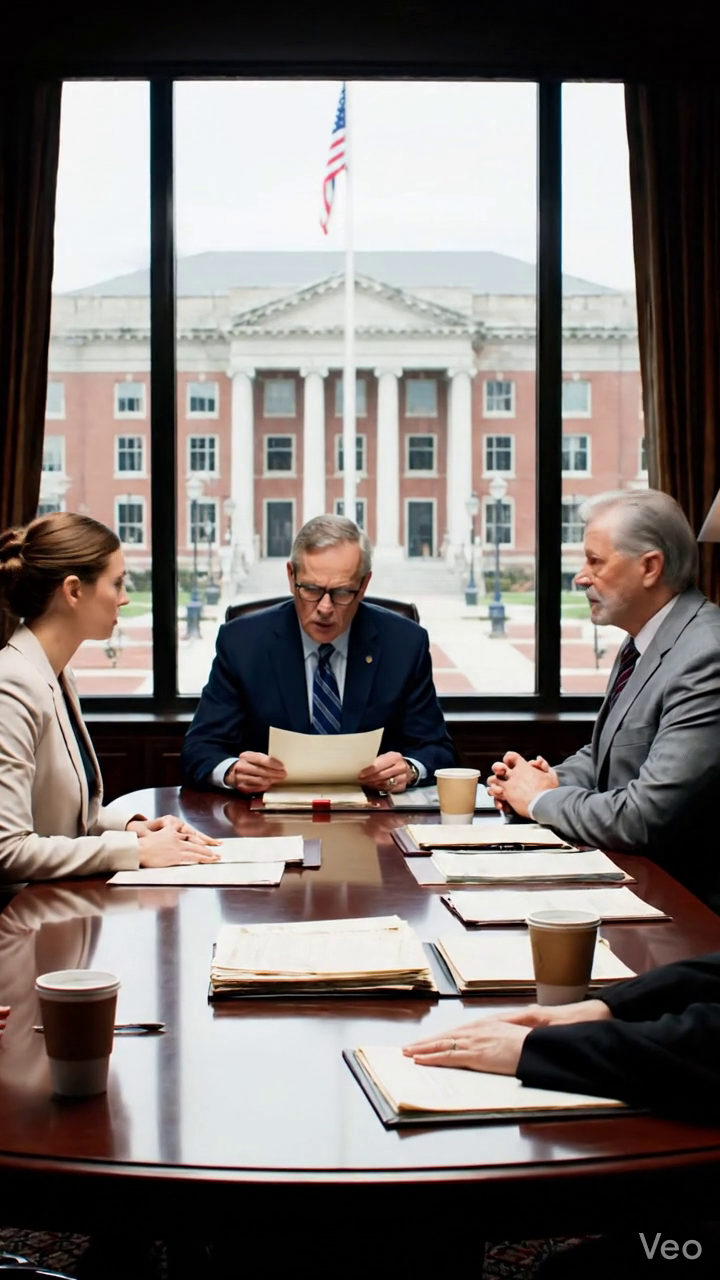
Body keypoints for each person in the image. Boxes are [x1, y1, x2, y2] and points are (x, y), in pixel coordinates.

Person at [487, 489, 720, 910]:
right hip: (631, 884)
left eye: (595, 561)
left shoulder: (708, 653)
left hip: (686, 911)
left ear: (650, 567)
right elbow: (608, 753)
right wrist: (550, 779)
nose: (580, 576)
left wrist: (539, 800)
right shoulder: (644, 639)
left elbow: (644, 817)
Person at [0, 512, 221, 881]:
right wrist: (134, 850)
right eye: (117, 584)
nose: (124, 598)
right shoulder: (11, 686)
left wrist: (133, 829)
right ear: (73, 591)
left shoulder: (57, 674)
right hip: (20, 919)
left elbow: (61, 818)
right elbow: (9, 849)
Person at [180, 514, 455, 794]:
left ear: (364, 585)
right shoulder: (243, 643)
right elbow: (199, 749)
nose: (324, 607)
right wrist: (232, 772)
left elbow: (436, 749)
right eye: (311, 589)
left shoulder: (404, 644)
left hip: (374, 818)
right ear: (291, 576)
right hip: (266, 823)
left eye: (342, 592)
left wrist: (408, 769)